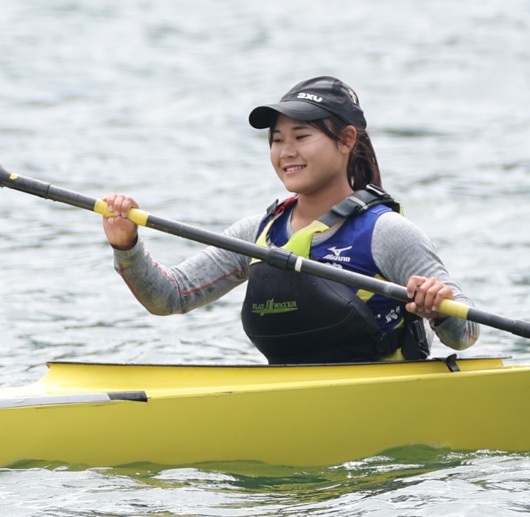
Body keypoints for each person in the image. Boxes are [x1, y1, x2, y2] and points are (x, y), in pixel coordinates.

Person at [98, 76, 477, 365]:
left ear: (346, 140)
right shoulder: (257, 233)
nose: (286, 152)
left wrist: (438, 309)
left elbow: (466, 334)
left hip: (385, 398)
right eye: (277, 140)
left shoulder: (387, 233)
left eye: (301, 136)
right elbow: (171, 297)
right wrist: (127, 245)